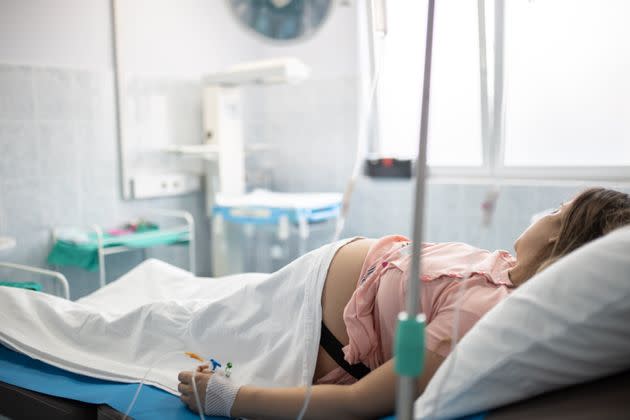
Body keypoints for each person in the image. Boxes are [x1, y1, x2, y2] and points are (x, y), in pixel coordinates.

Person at [178, 187, 630, 419]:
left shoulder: (478, 318)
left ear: (560, 239)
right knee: (181, 300)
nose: (543, 216)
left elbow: (358, 403)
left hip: (306, 326)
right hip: (303, 286)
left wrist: (225, 398)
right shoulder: (507, 268)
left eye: (555, 212)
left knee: (169, 322)